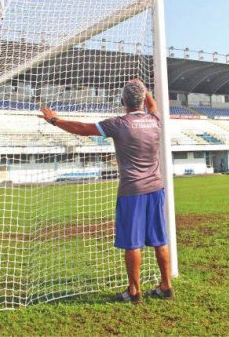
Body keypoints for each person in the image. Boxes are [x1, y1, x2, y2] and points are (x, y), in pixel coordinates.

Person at [39, 79, 173, 304]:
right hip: (156, 188)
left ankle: (134, 291)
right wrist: (143, 87)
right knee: (160, 240)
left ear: (122, 102)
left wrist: (54, 120)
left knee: (132, 243)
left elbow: (83, 129)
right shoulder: (155, 120)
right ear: (142, 100)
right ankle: (166, 286)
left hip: (132, 191)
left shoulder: (119, 124)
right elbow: (153, 106)